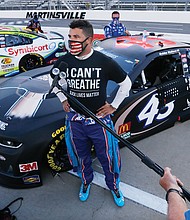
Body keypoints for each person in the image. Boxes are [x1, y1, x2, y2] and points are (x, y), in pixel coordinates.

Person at [49, 19, 132, 207]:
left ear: (90, 39)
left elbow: (125, 84)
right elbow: (51, 79)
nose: (71, 41)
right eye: (70, 37)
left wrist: (114, 106)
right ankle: (86, 181)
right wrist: (62, 98)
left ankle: (114, 185)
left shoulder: (104, 62)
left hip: (99, 121)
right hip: (75, 121)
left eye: (76, 37)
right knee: (81, 154)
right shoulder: (64, 61)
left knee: (107, 156)